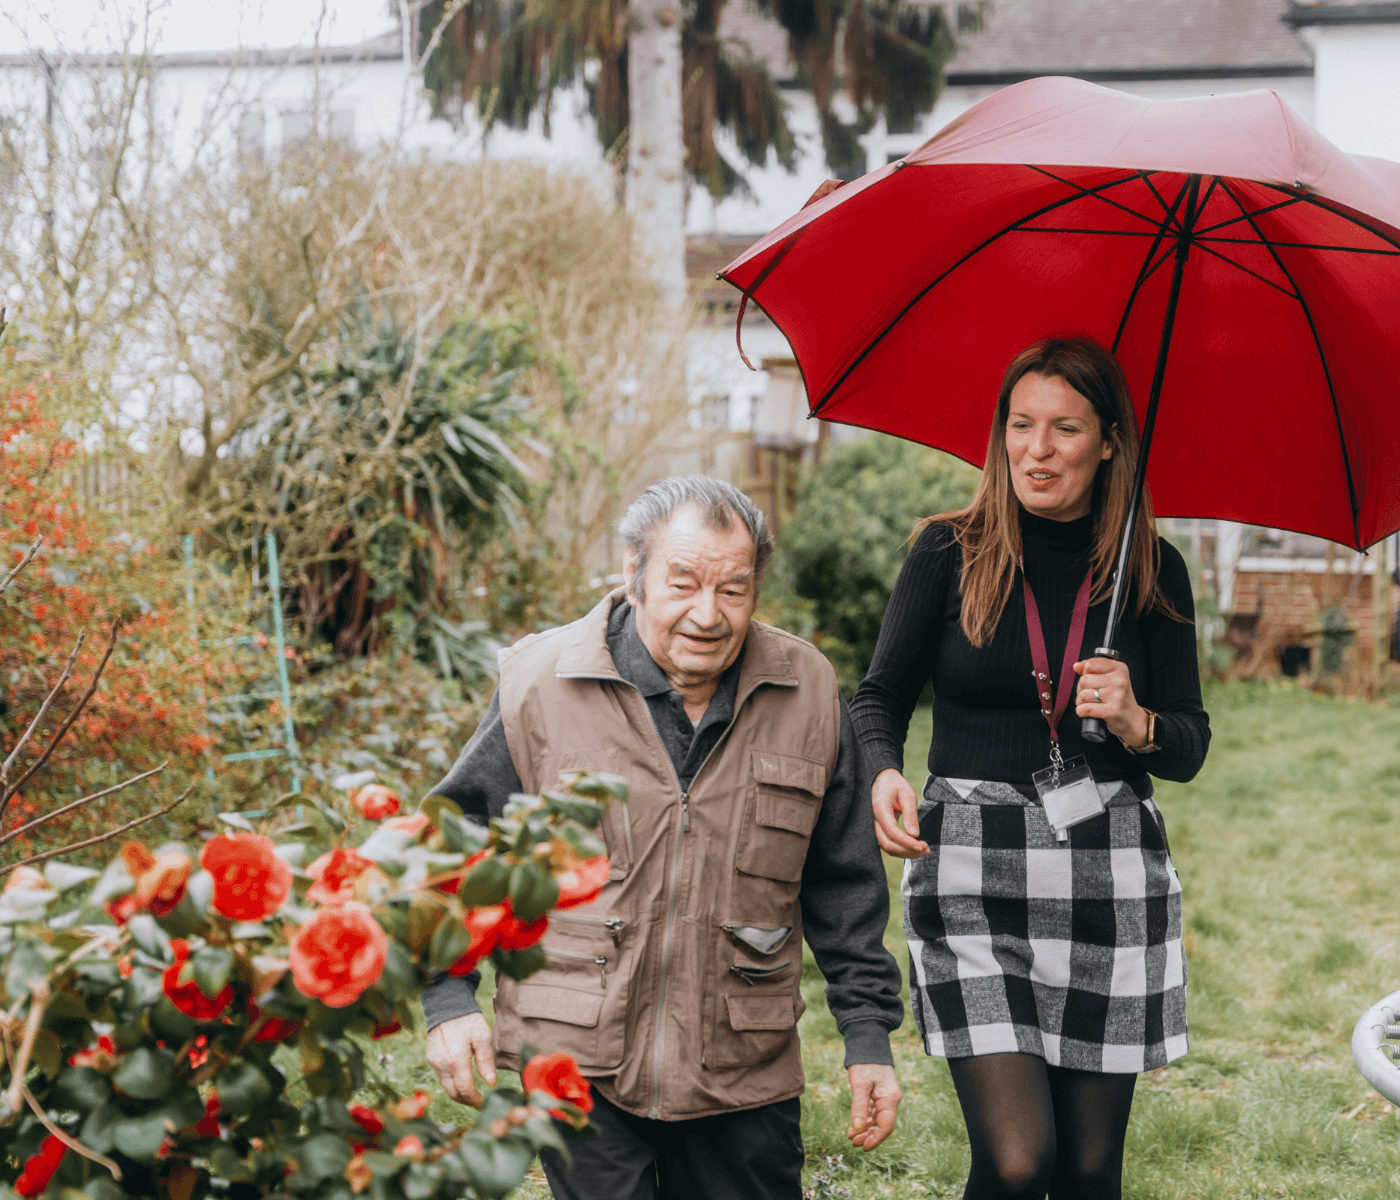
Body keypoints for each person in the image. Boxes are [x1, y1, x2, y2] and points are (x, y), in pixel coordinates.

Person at [423, 475, 906, 1200]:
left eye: (733, 589)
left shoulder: (807, 690)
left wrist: (867, 1037)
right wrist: (447, 999)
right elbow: (459, 842)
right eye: (682, 583)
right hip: (575, 1057)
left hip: (742, 1064)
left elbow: (845, 882)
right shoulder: (541, 682)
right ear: (634, 572)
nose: (707, 614)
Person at [850, 338, 1210, 1200]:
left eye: (1064, 429)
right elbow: (878, 697)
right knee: (1018, 1164)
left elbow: (1191, 746)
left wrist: (1136, 720)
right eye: (1020, 425)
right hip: (971, 869)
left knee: (1089, 1171)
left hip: (1108, 869)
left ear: (1111, 442)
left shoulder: (1152, 572)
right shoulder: (949, 551)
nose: (1037, 450)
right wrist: (882, 772)